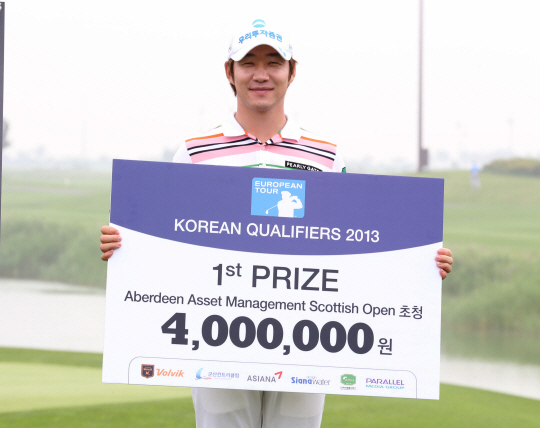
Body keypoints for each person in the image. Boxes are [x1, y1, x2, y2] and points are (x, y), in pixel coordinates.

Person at [100, 19, 454, 428]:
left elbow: (354, 246)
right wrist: (125, 246)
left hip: (307, 345)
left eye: (273, 62)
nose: (261, 74)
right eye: (248, 63)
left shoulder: (326, 156)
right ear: (230, 72)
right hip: (217, 344)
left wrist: (418, 266)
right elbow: (168, 238)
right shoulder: (195, 153)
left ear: (292, 71)